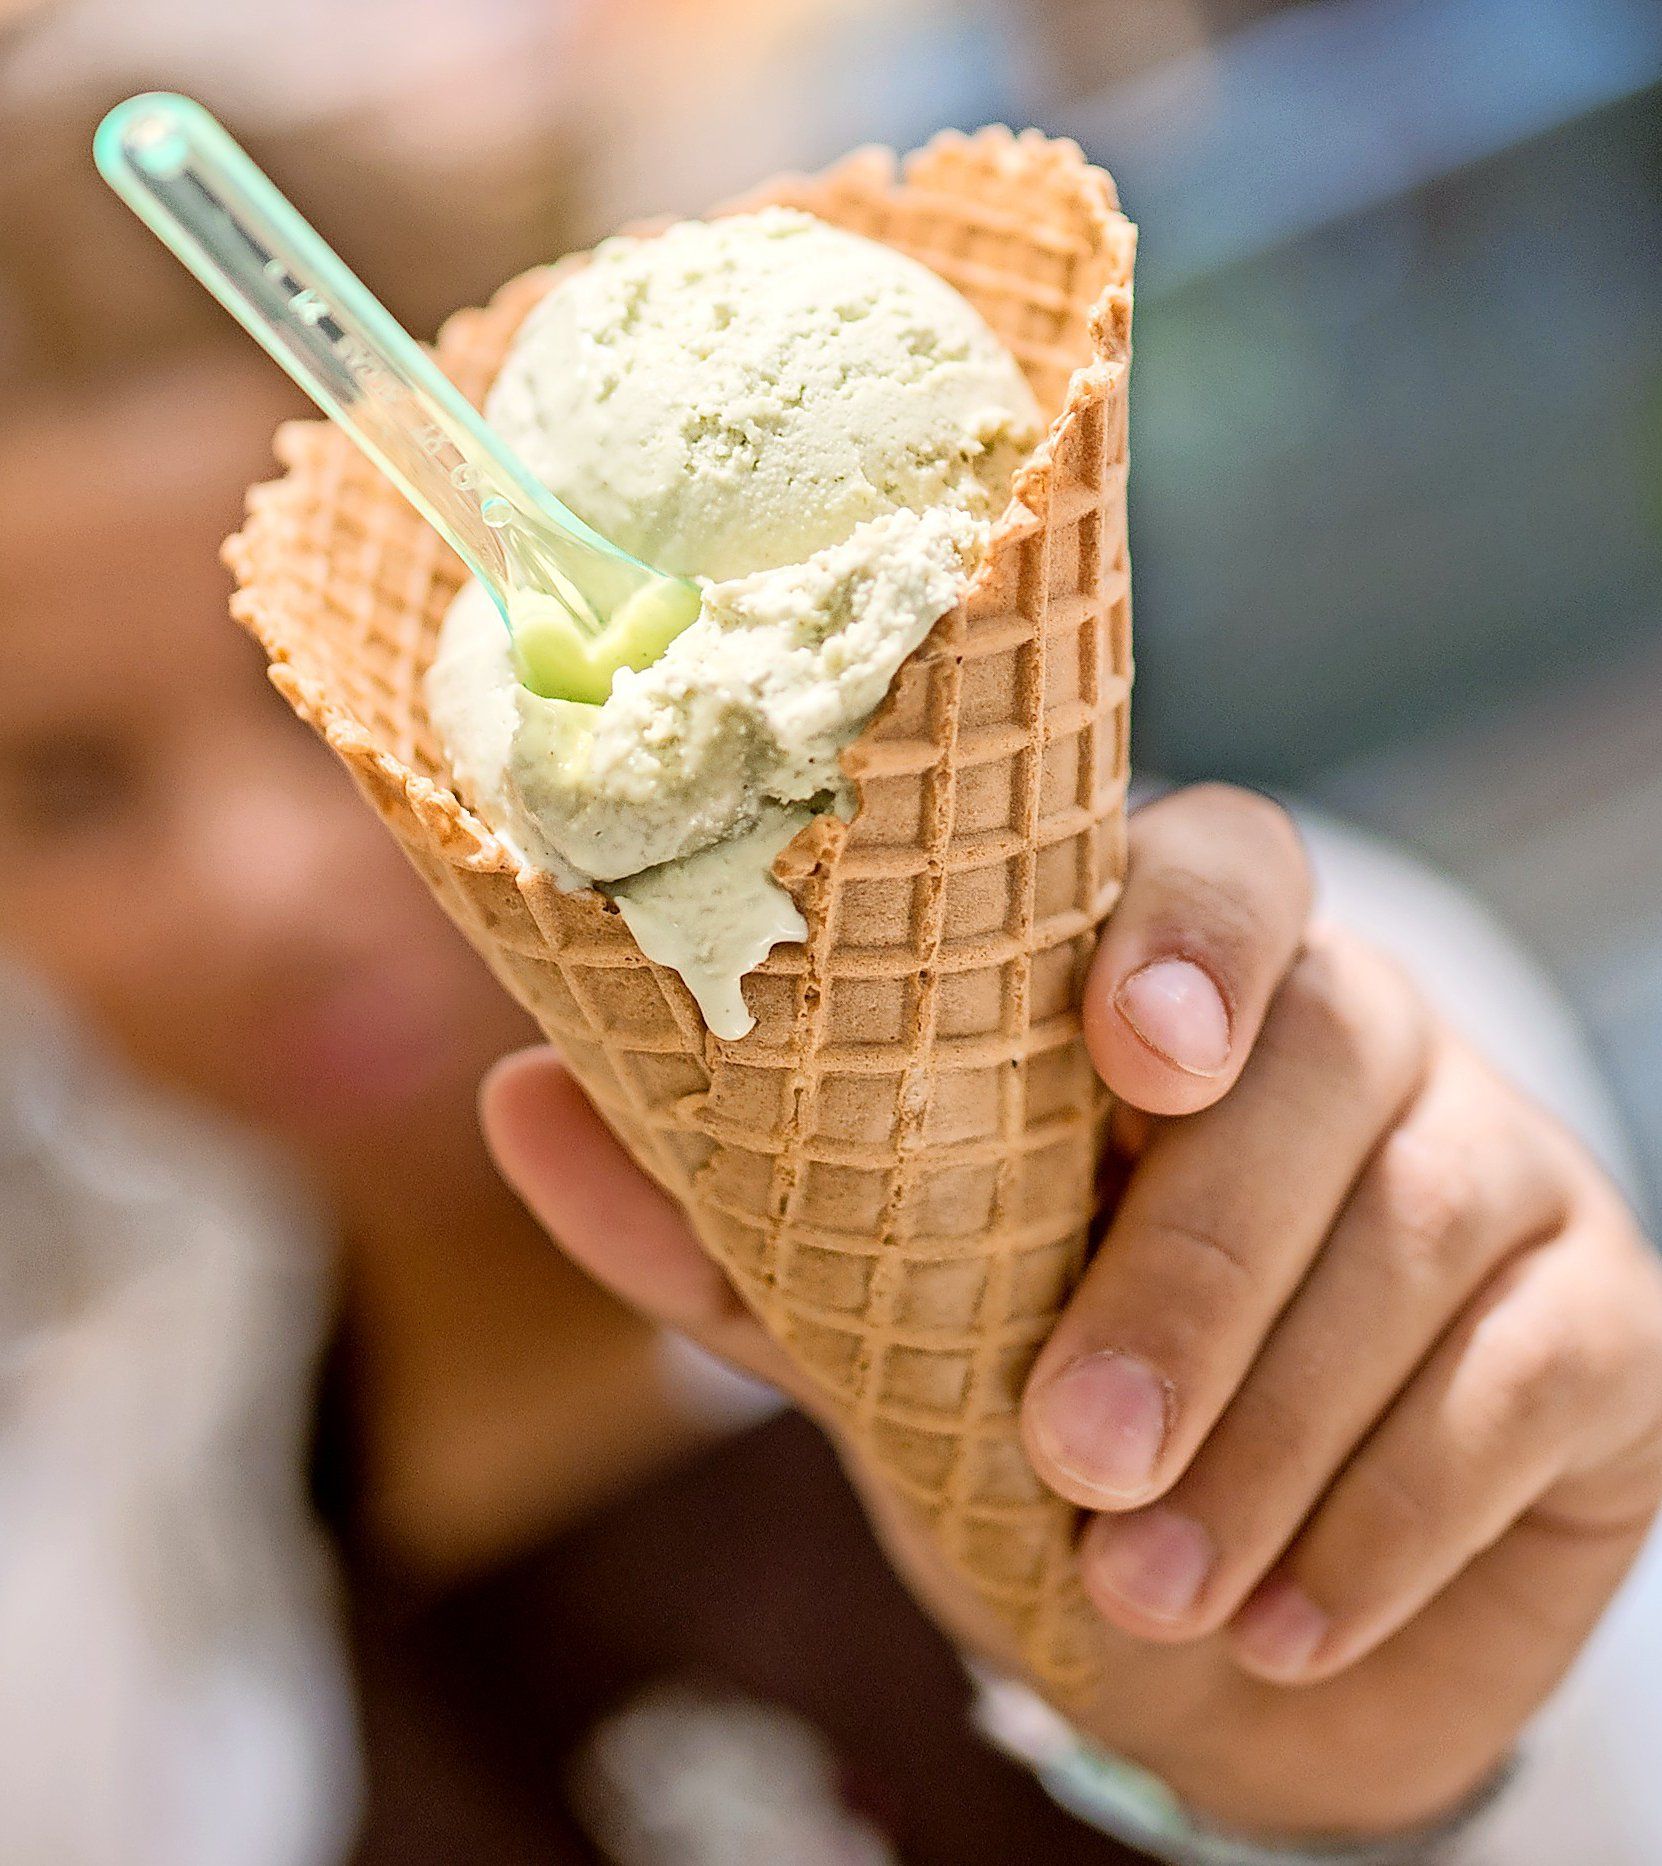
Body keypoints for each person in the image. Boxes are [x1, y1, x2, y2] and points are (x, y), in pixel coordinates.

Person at [2, 351, 1660, 1864]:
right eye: (66, 788)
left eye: (313, 696)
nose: (256, 895)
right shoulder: (80, 1641)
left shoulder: (1251, 1050)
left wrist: (1389, 1792)